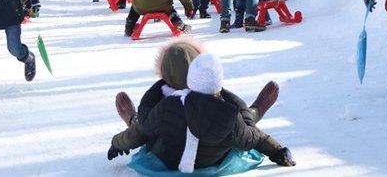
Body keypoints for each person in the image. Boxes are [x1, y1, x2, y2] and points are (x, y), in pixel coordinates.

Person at [112, 52, 295, 171]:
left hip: (168, 162)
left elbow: (143, 128)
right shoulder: (229, 116)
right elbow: (252, 137)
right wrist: (277, 151)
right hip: (210, 163)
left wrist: (117, 143)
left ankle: (132, 119)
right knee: (244, 127)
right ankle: (254, 111)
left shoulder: (169, 106)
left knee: (146, 125)